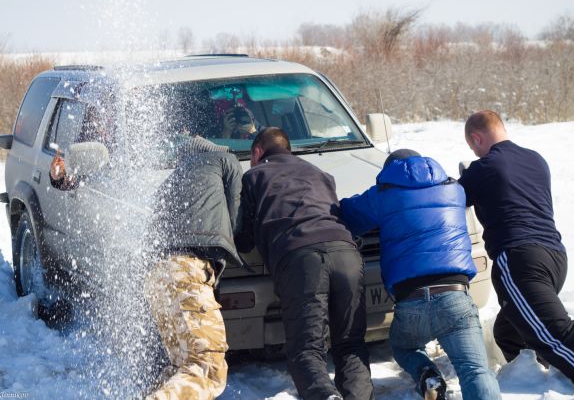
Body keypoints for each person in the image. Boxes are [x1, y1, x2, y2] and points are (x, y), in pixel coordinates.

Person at [339, 149, 501, 400]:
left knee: (403, 347)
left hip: (410, 299)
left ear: (388, 172)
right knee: (476, 371)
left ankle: (427, 373)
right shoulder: (455, 190)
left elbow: (348, 215)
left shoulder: (384, 194)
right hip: (455, 296)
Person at [459, 110, 574, 393]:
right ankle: (540, 381)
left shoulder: (483, 169)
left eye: (472, 147)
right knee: (509, 333)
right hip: (555, 257)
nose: (474, 152)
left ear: (476, 138)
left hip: (519, 260)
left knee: (556, 333)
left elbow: (447, 202)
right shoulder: (536, 159)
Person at [235, 127, 373, 400]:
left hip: (300, 258)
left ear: (257, 152)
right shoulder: (320, 174)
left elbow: (245, 239)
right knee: (350, 343)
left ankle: (324, 396)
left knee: (307, 350)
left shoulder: (254, 176)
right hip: (346, 252)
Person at [143, 135, 244, 400]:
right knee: (207, 366)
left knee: (182, 367)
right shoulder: (226, 161)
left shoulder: (172, 180)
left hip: (158, 277)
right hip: (187, 272)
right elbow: (237, 217)